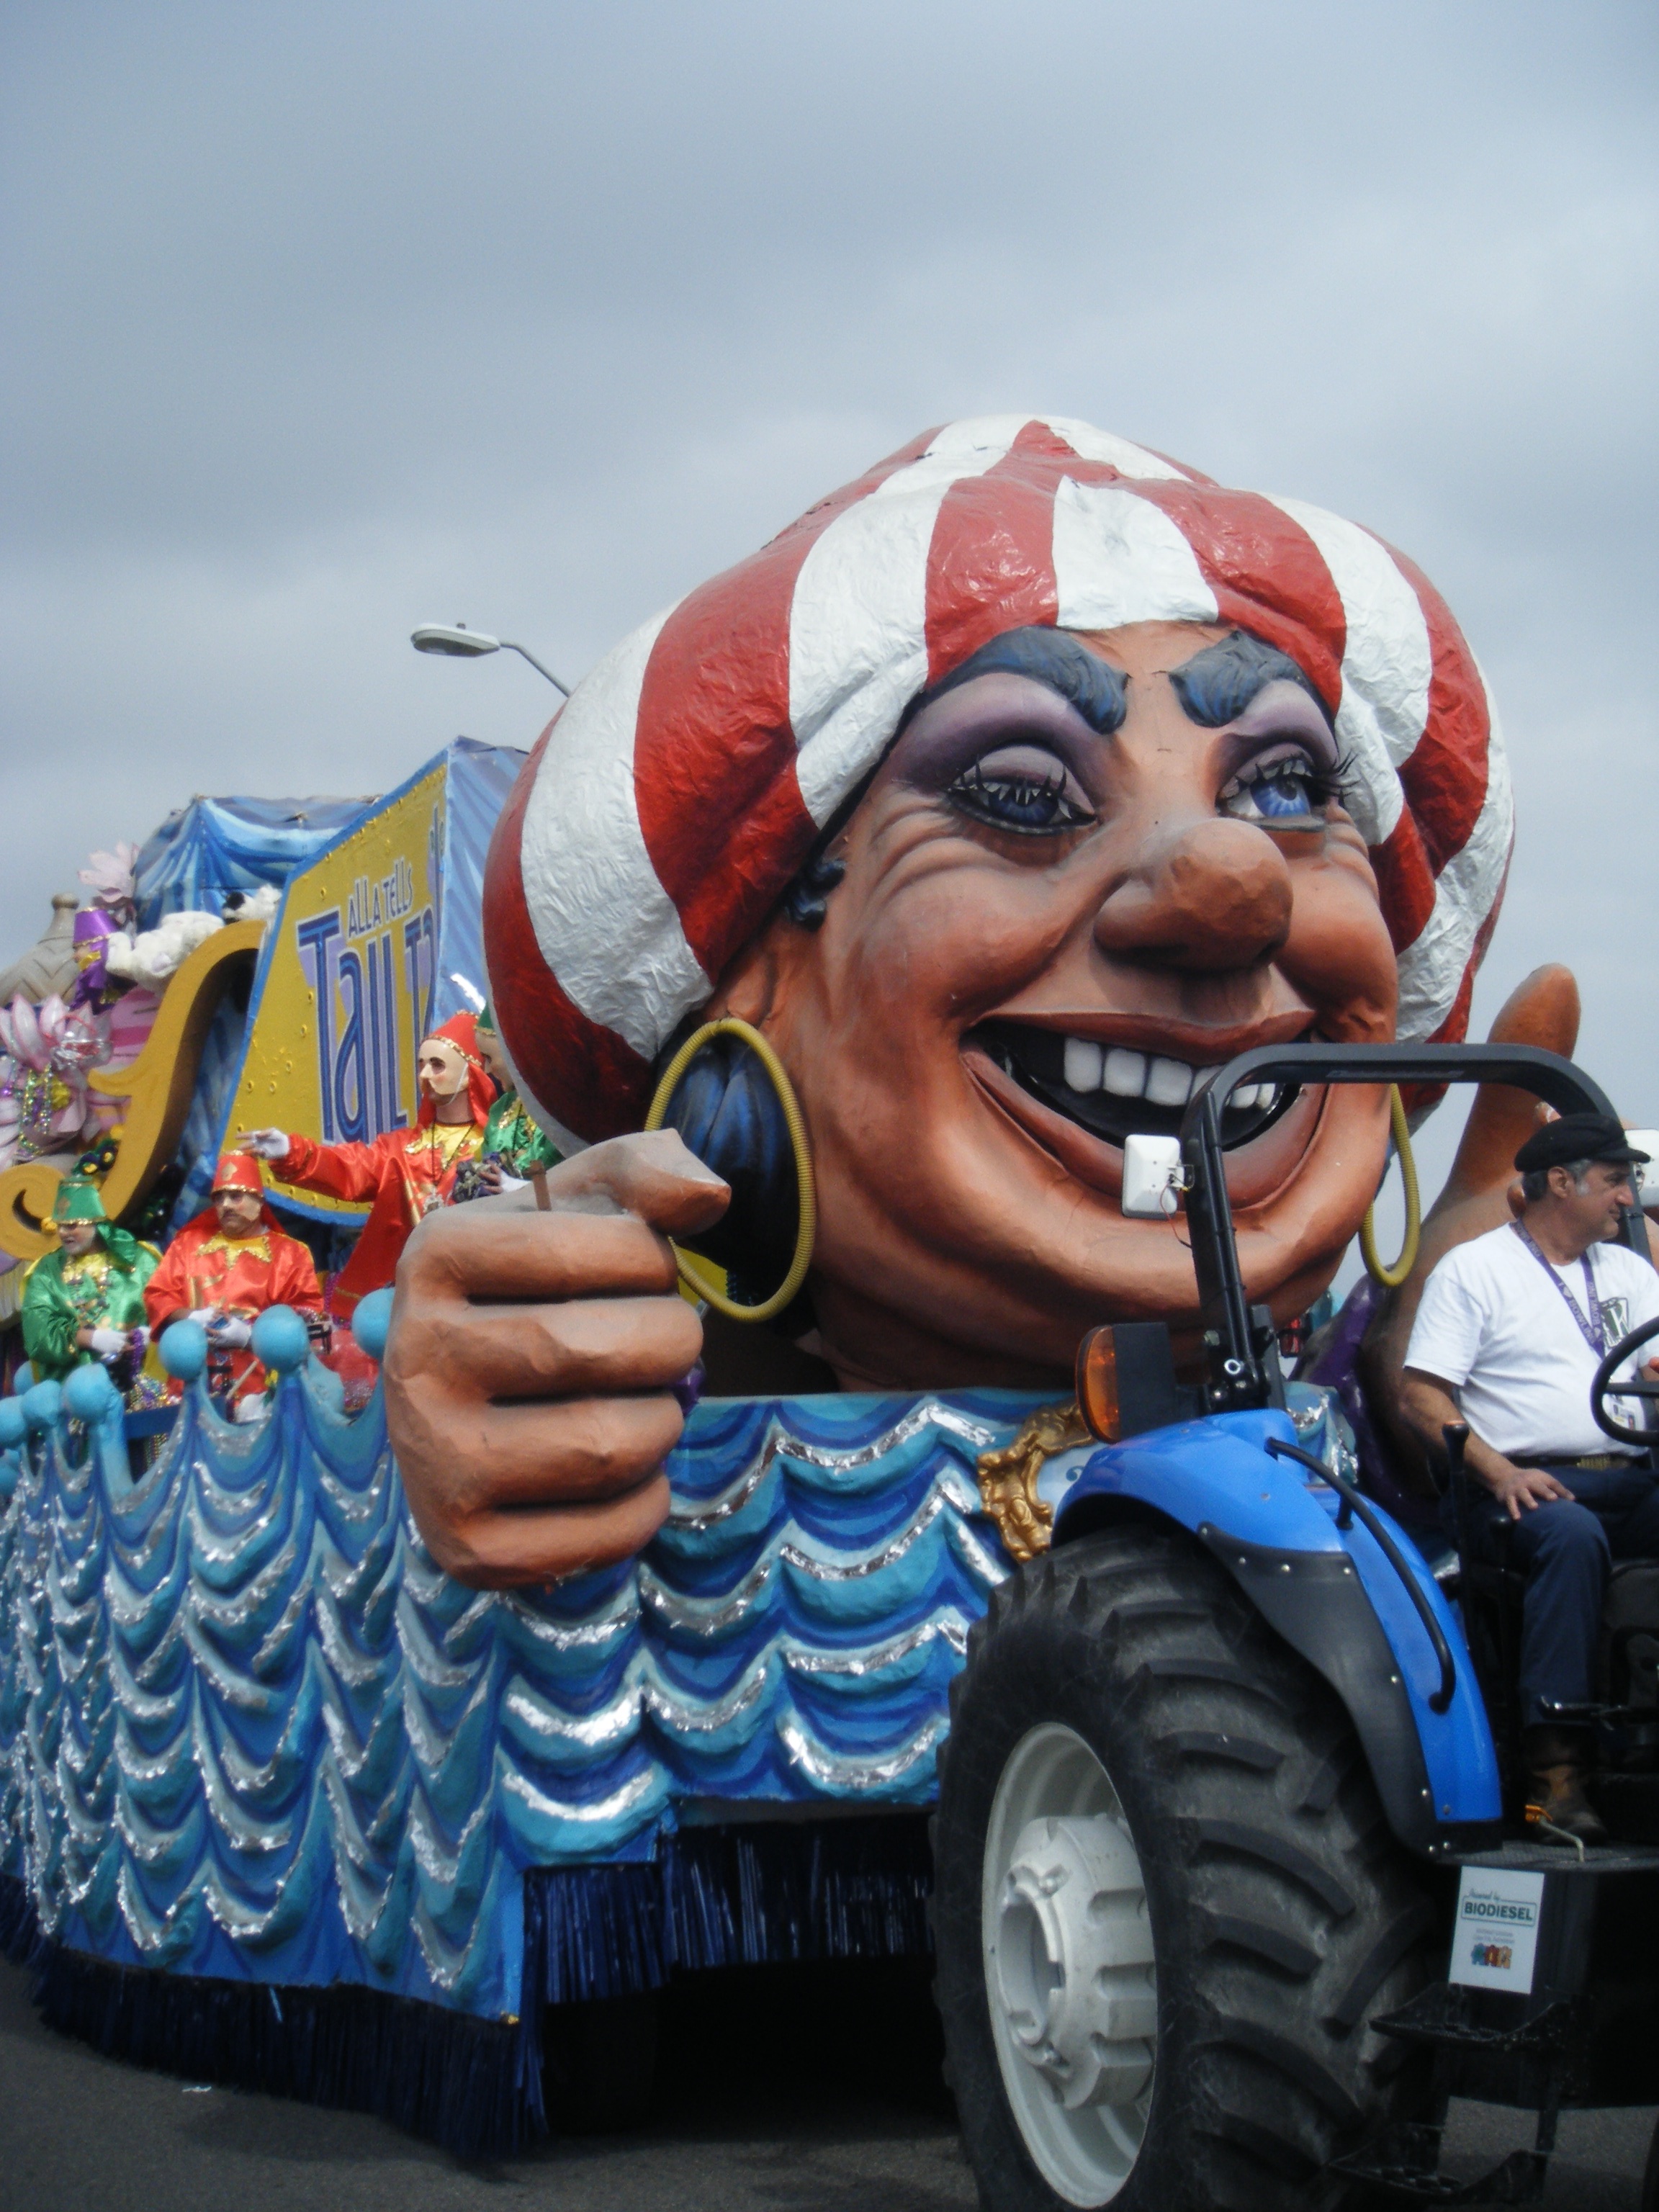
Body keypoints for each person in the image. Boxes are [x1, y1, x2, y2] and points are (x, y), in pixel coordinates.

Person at [376, 413, 1514, 1588]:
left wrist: (1410, 1326)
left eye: (1284, 785)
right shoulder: (673, 1442)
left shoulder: (1340, 1460)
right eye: (1020, 793)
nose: (1226, 886)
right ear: (749, 993)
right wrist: (479, 1416)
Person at [1401, 1113, 1659, 1842]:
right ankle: (1557, 1775)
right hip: (1513, 1487)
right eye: (1615, 1182)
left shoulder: (1631, 1275)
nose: (1627, 1199)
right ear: (1559, 1183)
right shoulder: (1476, 1271)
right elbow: (1419, 1396)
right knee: (1568, 1534)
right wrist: (1500, 1470)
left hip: (1628, 1474)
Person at [238, 1010, 493, 1316]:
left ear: (470, 1074)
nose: (424, 1075)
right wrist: (289, 1150)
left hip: (471, 1295)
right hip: (399, 1298)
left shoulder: (491, 1147)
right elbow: (350, 1168)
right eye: (421, 1064)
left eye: (437, 1065)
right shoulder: (400, 1149)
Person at [145, 1153, 325, 1418]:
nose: (226, 1205)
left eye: (236, 1196)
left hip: (262, 1398)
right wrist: (192, 1317)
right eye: (219, 1197)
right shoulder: (188, 1245)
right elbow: (157, 1294)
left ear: (259, 1201)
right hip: (192, 1396)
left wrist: (251, 1338)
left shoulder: (291, 1254)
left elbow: (309, 1322)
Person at [22, 1179, 166, 1409]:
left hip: (142, 1389)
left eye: (73, 1225)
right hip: (76, 1399)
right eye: (60, 1225)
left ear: (96, 1223)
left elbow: (166, 1310)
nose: (63, 1232)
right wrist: (89, 1338)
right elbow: (37, 1333)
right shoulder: (46, 1272)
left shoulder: (140, 1260)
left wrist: (146, 1336)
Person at [457, 1002, 562, 1198]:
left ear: (516, 1053)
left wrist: (520, 1190)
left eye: (489, 1058)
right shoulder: (501, 1110)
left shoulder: (565, 1111)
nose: (487, 1069)